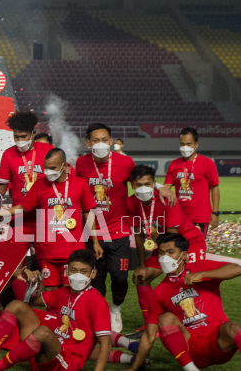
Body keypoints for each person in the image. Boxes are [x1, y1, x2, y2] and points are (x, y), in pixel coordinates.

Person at [75, 122, 174, 332]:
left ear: (111, 142)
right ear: (88, 142)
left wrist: (161, 187)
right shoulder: (81, 163)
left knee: (120, 278)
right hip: (92, 232)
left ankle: (115, 309)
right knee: (97, 279)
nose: (100, 144)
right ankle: (99, 315)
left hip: (118, 231)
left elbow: (141, 179)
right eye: (96, 140)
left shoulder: (124, 162)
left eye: (104, 140)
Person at [0, 249, 111, 371]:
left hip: (66, 363)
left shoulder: (96, 301)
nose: (77, 275)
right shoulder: (64, 292)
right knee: (16, 306)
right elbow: (31, 301)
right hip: (44, 356)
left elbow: (105, 343)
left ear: (93, 274)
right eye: (73, 270)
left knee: (44, 332)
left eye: (83, 271)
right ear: (67, 271)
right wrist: (36, 285)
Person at [128, 233, 241, 371]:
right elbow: (149, 335)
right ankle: (191, 369)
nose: (165, 258)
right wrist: (133, 369)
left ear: (184, 255)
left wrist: (203, 274)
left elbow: (237, 268)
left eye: (171, 252)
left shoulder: (201, 267)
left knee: (233, 327)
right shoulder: (160, 291)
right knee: (165, 318)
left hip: (217, 340)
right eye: (161, 253)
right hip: (192, 348)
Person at [0, 149, 96, 291]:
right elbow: (23, 207)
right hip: (48, 253)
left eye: (53, 168)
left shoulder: (80, 184)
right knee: (50, 294)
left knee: (70, 291)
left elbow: (88, 212)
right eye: (46, 168)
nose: (48, 172)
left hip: (73, 253)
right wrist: (2, 213)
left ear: (65, 166)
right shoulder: (40, 185)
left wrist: (96, 241)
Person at [126, 165, 207, 327]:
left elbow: (173, 237)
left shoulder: (167, 199)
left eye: (147, 184)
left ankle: (196, 320)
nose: (143, 189)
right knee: (141, 277)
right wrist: (142, 265)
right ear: (132, 185)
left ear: (154, 183)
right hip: (164, 247)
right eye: (139, 185)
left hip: (188, 243)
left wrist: (170, 273)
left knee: (187, 283)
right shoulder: (131, 202)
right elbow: (139, 234)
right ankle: (151, 324)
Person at [0, 110, 46, 248]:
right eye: (16, 137)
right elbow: (1, 187)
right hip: (19, 218)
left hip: (44, 217)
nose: (20, 141)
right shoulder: (8, 154)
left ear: (33, 134)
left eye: (24, 136)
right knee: (15, 262)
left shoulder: (47, 151)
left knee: (44, 261)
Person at [165, 127, 220, 238]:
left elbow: (214, 188)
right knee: (178, 251)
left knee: (195, 250)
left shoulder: (207, 163)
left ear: (197, 144)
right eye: (182, 144)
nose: (185, 147)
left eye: (189, 144)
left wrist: (215, 212)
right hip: (178, 216)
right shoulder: (173, 165)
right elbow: (166, 189)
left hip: (199, 217)